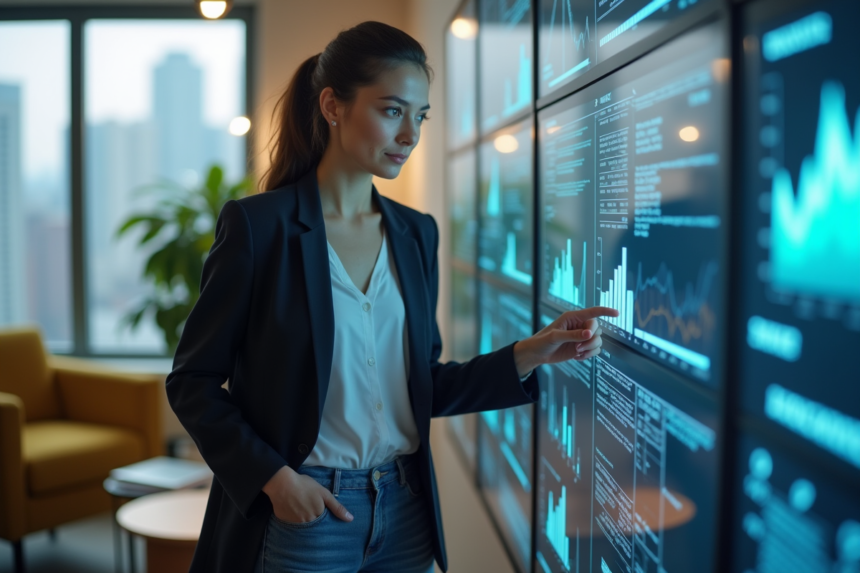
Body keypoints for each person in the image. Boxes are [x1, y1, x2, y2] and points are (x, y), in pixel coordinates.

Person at [165, 20, 619, 573]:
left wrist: (531, 352)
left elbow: (421, 385)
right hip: (306, 513)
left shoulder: (415, 232)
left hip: (405, 510)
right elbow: (192, 381)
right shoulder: (260, 228)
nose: (411, 135)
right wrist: (276, 481)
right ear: (333, 106)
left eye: (420, 116)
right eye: (392, 110)